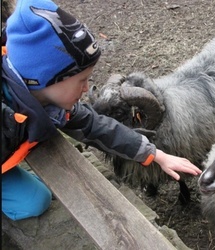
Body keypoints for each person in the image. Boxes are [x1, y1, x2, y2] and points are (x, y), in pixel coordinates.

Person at [1, 0, 202, 221]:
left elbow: (96, 126)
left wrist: (156, 154)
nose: (87, 88)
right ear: (46, 80)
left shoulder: (52, 104)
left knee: (37, 199)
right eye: (82, 80)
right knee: (31, 202)